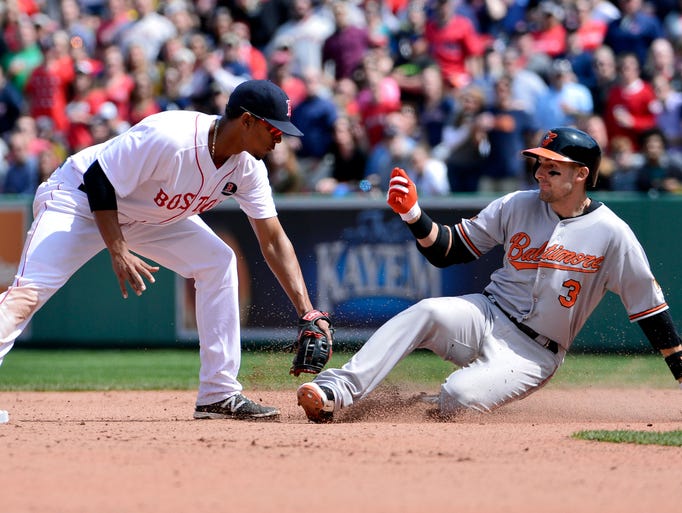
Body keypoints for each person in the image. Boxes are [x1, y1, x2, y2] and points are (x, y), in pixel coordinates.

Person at [296, 127, 682, 422]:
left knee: (459, 400)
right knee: (427, 311)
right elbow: (449, 251)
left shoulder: (612, 233)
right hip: (487, 313)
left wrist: (679, 371)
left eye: (552, 167)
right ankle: (338, 389)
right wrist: (414, 215)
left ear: (581, 174)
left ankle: (424, 405)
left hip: (535, 352)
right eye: (538, 164)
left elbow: (649, 310)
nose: (539, 174)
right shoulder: (517, 205)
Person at [0, 80, 331, 420]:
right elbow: (99, 179)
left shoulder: (247, 169)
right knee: (29, 293)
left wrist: (307, 311)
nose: (280, 138)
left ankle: (218, 395)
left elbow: (273, 240)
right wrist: (118, 250)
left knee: (217, 261)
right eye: (273, 129)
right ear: (246, 121)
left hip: (148, 216)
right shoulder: (172, 136)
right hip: (78, 199)